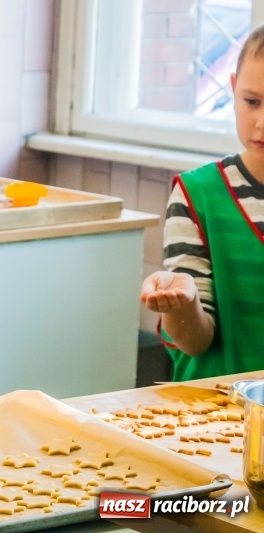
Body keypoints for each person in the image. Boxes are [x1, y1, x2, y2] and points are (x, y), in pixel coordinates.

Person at [140, 23, 264, 382]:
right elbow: (195, 342)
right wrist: (183, 303)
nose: (261, 123)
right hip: (217, 410)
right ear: (233, 88)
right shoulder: (198, 195)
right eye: (252, 102)